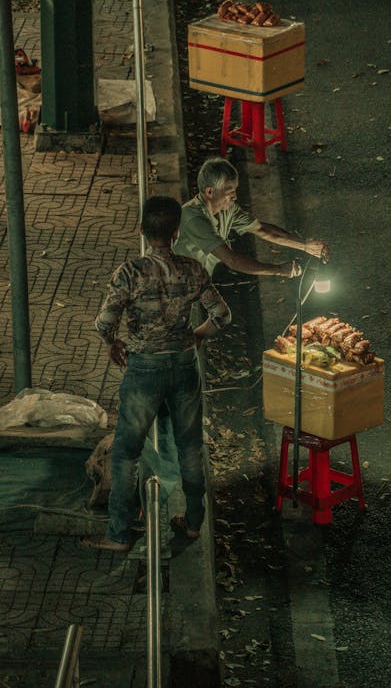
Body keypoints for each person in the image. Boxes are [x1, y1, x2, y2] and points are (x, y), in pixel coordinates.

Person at [82, 196, 231, 552]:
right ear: (176, 232)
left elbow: (104, 322)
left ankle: (119, 532)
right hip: (183, 367)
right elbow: (223, 316)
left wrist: (112, 342)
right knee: (189, 447)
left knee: (126, 452)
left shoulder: (129, 273)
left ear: (142, 231)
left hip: (144, 370)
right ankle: (193, 523)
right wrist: (195, 336)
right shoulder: (193, 269)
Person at [174, 157, 329, 278]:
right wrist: (279, 270)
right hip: (177, 282)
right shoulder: (194, 218)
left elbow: (262, 229)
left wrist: (305, 245)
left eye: (235, 189)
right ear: (210, 192)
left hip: (199, 279)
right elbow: (232, 260)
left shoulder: (227, 209)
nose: (234, 196)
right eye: (229, 191)